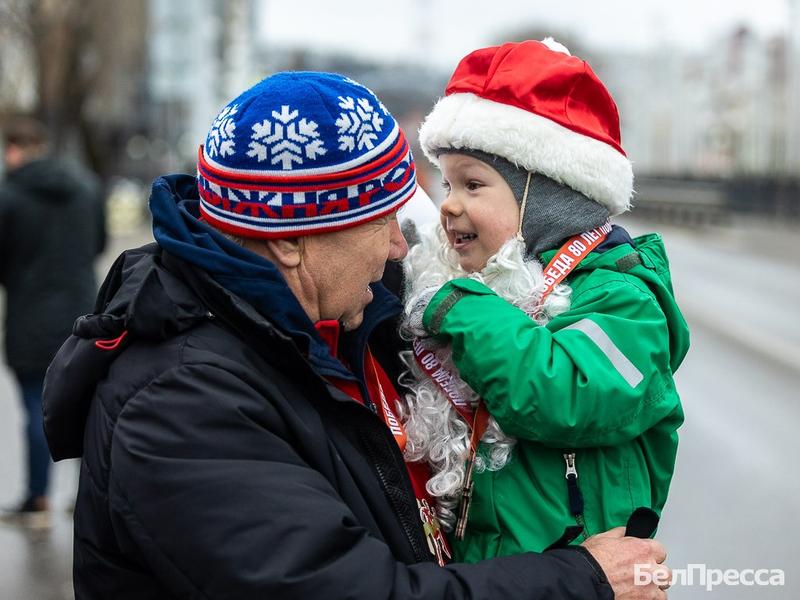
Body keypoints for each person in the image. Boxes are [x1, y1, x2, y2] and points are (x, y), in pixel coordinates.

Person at [43, 72, 670, 599]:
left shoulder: (327, 324)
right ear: (290, 242)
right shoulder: (182, 403)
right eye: (381, 224)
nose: (401, 248)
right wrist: (582, 580)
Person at [400, 39, 689, 563]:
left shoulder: (624, 300)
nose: (449, 205)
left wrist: (456, 307)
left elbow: (566, 394)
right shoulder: (496, 286)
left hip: (587, 574)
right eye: (446, 183)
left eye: (472, 184)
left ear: (547, 199)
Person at [0, 116, 105, 528]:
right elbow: (97, 243)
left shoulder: (8, 195)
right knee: (83, 404)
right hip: (83, 313)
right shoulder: (87, 188)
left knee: (34, 406)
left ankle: (38, 500)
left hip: (29, 314)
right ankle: (86, 499)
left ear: (13, 150)